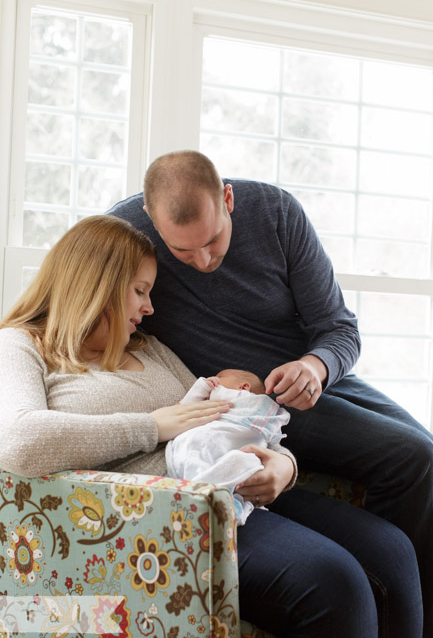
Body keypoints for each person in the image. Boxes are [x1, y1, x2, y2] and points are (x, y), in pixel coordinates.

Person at [107, 149, 431, 638]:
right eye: (183, 252)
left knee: (423, 454)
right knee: (413, 456)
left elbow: (339, 329)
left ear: (229, 199)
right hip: (243, 405)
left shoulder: (277, 213)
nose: (204, 260)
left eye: (213, 241)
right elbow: (79, 296)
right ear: (151, 222)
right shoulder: (125, 231)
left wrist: (314, 366)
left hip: (309, 378)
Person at [0, 215, 234, 478]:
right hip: (151, 512)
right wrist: (152, 427)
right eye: (139, 290)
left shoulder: (147, 347)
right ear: (97, 285)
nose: (150, 308)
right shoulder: (20, 344)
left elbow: (217, 409)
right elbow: (18, 442)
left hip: (230, 491)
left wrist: (281, 463)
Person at [166, 369, 294, 525]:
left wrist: (287, 464)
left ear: (244, 388)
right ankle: (216, 499)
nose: (212, 380)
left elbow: (272, 443)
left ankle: (209, 497)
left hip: (238, 444)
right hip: (214, 444)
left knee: (241, 462)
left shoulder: (246, 401)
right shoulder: (234, 400)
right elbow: (181, 409)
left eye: (220, 378)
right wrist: (201, 387)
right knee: (199, 455)